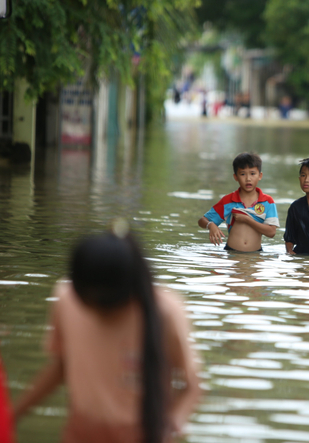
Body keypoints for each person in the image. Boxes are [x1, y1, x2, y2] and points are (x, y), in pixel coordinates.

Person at [13, 226, 201, 443]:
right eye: (87, 300)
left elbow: (191, 385)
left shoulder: (164, 312)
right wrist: (13, 415)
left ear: (131, 289)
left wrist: (173, 423)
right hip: (80, 434)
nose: (96, 311)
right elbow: (62, 366)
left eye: (106, 303)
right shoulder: (67, 300)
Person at [198, 152, 279, 252]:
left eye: (252, 173)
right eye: (243, 174)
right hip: (232, 254)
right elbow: (202, 220)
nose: (248, 179)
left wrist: (247, 220)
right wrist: (211, 225)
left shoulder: (267, 201)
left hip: (256, 256)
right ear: (236, 177)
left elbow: (271, 232)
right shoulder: (228, 200)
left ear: (260, 176)